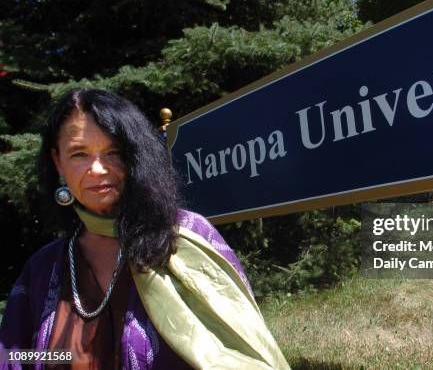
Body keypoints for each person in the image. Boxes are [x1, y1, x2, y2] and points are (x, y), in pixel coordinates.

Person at [0, 89, 290, 369]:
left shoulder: (187, 236)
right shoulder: (42, 269)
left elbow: (243, 350)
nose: (98, 169)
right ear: (58, 162)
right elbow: (15, 357)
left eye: (113, 152)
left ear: (135, 156)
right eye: (79, 154)